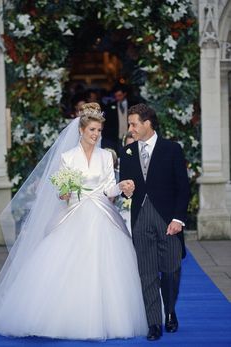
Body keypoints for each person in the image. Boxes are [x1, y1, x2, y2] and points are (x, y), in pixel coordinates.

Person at [0, 103, 147, 340]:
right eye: (92, 130)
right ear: (81, 130)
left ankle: (103, 319)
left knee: (105, 266)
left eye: (98, 131)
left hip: (101, 213)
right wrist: (63, 193)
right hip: (74, 213)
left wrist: (122, 185)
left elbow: (108, 189)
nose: (96, 135)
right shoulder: (67, 157)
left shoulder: (106, 156)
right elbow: (61, 191)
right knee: (63, 263)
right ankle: (59, 317)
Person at [119, 103, 190, 341]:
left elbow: (183, 188)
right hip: (141, 219)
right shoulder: (127, 152)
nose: (130, 128)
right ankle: (154, 323)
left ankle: (170, 311)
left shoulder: (172, 149)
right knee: (147, 273)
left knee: (171, 271)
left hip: (169, 220)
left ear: (148, 123)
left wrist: (178, 219)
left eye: (134, 124)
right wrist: (125, 189)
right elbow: (125, 186)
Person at [101, 83, 137, 154]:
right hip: (116, 138)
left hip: (131, 137)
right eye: (116, 96)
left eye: (119, 95)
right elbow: (107, 123)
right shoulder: (110, 106)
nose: (117, 98)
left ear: (125, 94)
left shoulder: (133, 105)